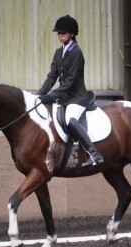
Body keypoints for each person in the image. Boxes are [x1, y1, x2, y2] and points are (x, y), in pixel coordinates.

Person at [37, 15, 103, 168]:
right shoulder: (58, 52)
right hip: (64, 97)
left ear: (72, 34)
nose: (60, 35)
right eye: (58, 33)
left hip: (77, 97)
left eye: (63, 33)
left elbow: (69, 82)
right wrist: (40, 94)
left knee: (70, 120)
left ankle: (93, 153)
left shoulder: (77, 53)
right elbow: (52, 77)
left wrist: (50, 96)